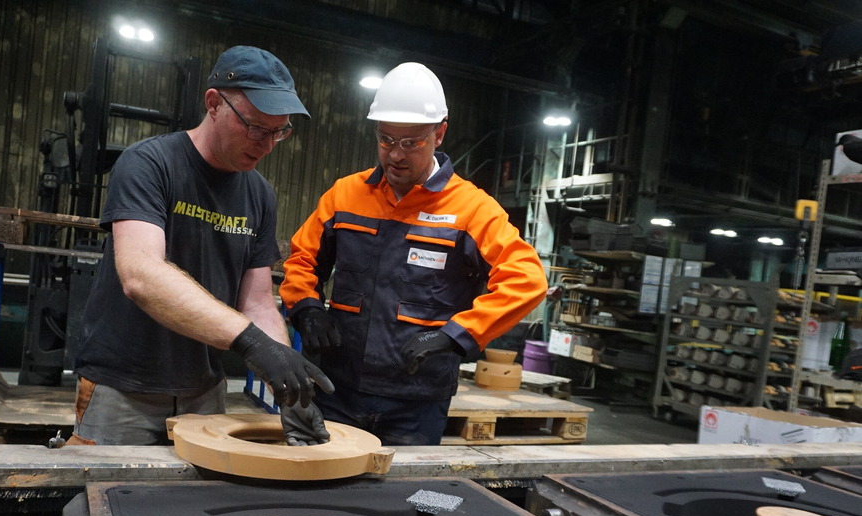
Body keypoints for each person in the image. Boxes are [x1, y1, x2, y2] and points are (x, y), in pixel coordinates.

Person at [72, 46, 333, 446]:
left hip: (205, 393)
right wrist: (251, 343)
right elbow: (141, 274)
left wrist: (287, 383)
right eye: (255, 127)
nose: (266, 145)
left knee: (198, 507)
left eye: (278, 132)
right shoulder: (150, 164)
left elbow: (258, 302)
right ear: (214, 103)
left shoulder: (260, 195)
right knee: (109, 502)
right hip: (123, 392)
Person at [279, 62, 547, 446]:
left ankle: (433, 510)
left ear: (440, 133)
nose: (396, 156)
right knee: (329, 494)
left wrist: (457, 336)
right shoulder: (345, 195)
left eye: (411, 142)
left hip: (417, 403)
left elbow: (527, 280)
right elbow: (302, 258)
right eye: (386, 140)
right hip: (339, 389)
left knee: (421, 500)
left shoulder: (471, 209)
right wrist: (305, 305)